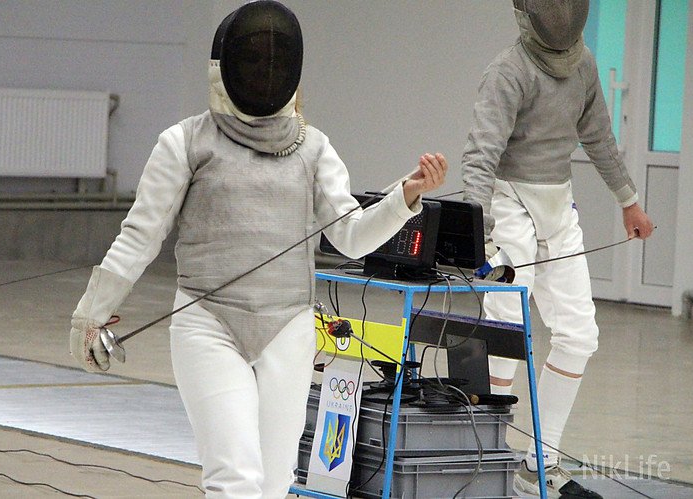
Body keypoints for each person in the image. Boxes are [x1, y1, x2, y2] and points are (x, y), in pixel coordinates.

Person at [69, 1, 448, 497]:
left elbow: (350, 236)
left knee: (273, 483)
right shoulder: (184, 142)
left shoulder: (313, 147)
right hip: (208, 322)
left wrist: (404, 199)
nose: (264, 71)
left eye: (274, 60)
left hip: (287, 327)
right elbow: (140, 235)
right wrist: (91, 315)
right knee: (235, 478)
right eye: (252, 59)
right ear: (225, 67)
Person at [461, 1, 654, 497]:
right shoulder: (507, 72)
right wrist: (479, 234)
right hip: (510, 206)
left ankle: (537, 466)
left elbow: (599, 137)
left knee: (579, 335)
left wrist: (629, 201)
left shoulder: (583, 63)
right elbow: (481, 158)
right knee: (506, 330)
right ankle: (487, 461)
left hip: (558, 207)